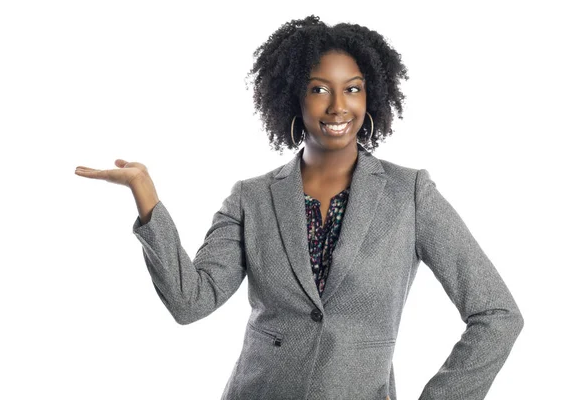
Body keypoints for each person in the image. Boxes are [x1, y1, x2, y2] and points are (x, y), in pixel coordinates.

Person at [75, 15, 523, 400]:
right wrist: (146, 196)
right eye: (318, 89)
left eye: (352, 89)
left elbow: (497, 315)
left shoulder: (410, 194)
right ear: (293, 95)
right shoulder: (250, 198)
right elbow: (191, 302)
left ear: (371, 98)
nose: (337, 105)